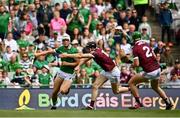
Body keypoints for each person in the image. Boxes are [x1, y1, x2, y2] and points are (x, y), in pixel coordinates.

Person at [60, 41, 130, 110]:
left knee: (116, 91)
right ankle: (91, 106)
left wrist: (66, 55)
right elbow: (86, 59)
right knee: (95, 86)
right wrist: (79, 66)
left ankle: (130, 89)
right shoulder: (95, 51)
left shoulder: (96, 53)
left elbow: (80, 56)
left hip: (113, 72)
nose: (87, 49)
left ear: (92, 48)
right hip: (106, 71)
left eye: (88, 48)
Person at [128, 31, 173, 110]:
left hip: (150, 71)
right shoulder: (146, 44)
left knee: (131, 82)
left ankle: (138, 103)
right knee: (155, 87)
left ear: (133, 39)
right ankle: (168, 103)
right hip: (157, 69)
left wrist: (131, 65)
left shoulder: (135, 48)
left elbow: (136, 64)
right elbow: (155, 57)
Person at [50, 34, 79, 110]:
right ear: (62, 41)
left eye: (67, 40)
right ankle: (54, 105)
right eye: (64, 40)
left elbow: (77, 63)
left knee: (63, 91)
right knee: (54, 92)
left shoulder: (74, 50)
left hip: (69, 73)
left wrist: (67, 64)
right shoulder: (60, 48)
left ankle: (67, 87)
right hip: (61, 72)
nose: (65, 42)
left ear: (69, 41)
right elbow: (52, 51)